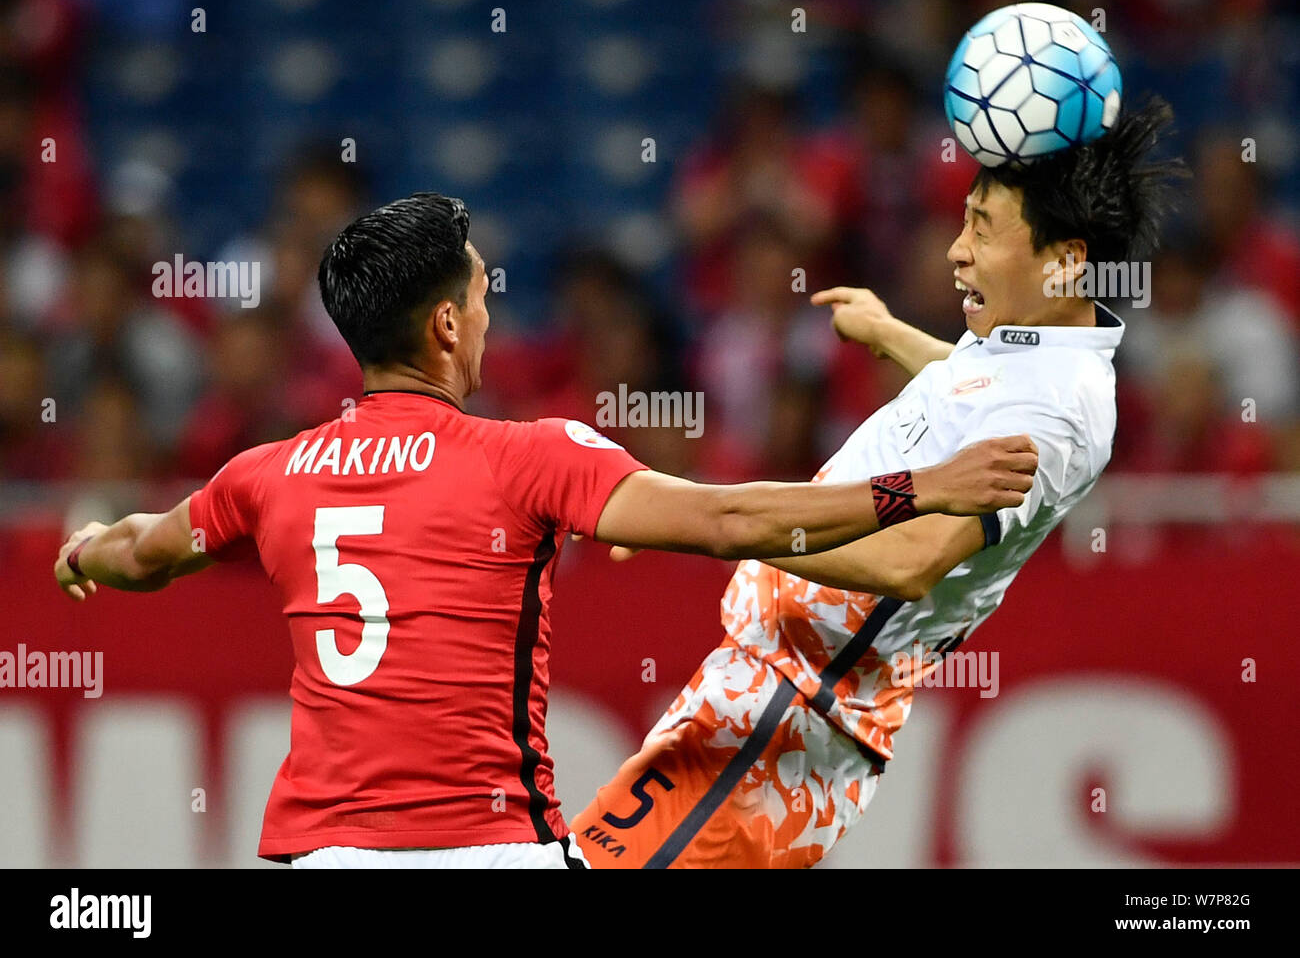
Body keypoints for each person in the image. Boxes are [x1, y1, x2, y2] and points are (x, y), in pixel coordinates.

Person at [53, 193, 1037, 870]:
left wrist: (86, 546)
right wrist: (922, 488)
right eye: (481, 295)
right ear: (444, 325)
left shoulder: (267, 474)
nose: (488, 315)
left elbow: (147, 548)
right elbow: (731, 517)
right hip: (492, 847)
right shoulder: (524, 455)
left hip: (327, 854)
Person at [573, 100, 1185, 869]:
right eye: (963, 220)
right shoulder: (1032, 344)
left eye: (983, 228)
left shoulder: (1058, 405)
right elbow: (978, 390)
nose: (957, 252)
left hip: (789, 720)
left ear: (1064, 259)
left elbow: (910, 559)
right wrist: (891, 332)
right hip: (768, 688)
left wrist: (718, 525)